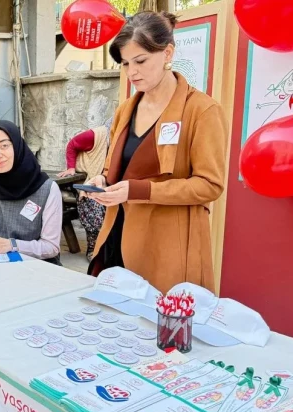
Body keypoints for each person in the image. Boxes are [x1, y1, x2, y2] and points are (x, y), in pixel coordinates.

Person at [84, 11, 226, 293]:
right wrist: (100, 182)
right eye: (125, 63)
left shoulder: (201, 110)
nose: (132, 72)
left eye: (140, 61)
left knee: (161, 329)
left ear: (167, 53)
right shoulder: (126, 109)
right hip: (117, 233)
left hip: (167, 247)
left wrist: (139, 190)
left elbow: (210, 185)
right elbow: (115, 168)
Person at [0, 120, 63, 263]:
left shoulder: (47, 189)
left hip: (33, 268)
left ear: (17, 145)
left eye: (4, 146)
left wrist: (12, 245)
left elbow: (51, 247)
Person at [57, 120, 112, 260]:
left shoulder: (119, 143)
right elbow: (72, 145)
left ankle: (108, 247)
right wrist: (71, 167)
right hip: (84, 179)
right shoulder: (95, 136)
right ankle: (93, 248)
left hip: (104, 180)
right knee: (93, 205)